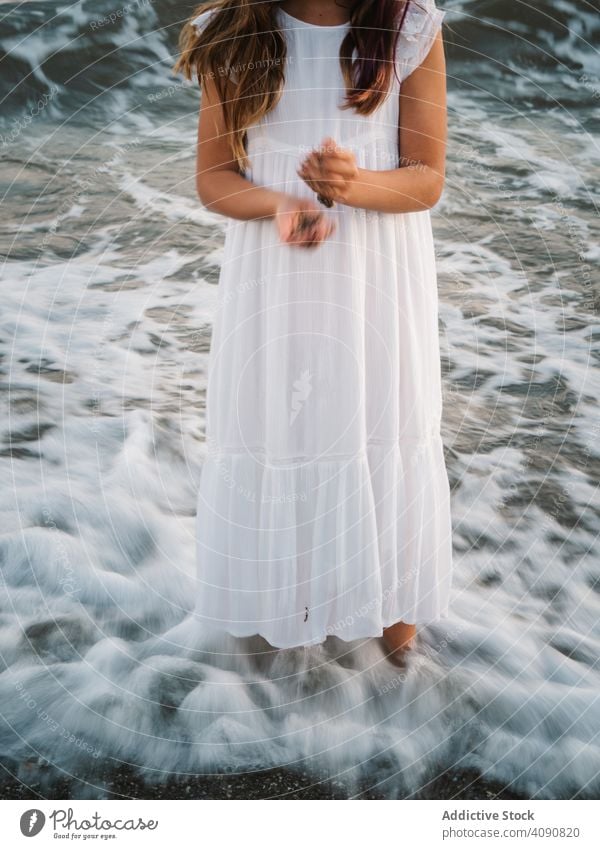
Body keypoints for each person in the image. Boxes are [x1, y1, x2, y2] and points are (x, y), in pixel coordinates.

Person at [174, 0, 453, 662]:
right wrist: (280, 203)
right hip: (276, 276)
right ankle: (279, 636)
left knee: (382, 422)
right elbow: (214, 179)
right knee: (284, 429)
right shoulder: (231, 31)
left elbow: (427, 178)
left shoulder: (410, 26)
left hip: (378, 278)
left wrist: (354, 183)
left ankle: (396, 654)